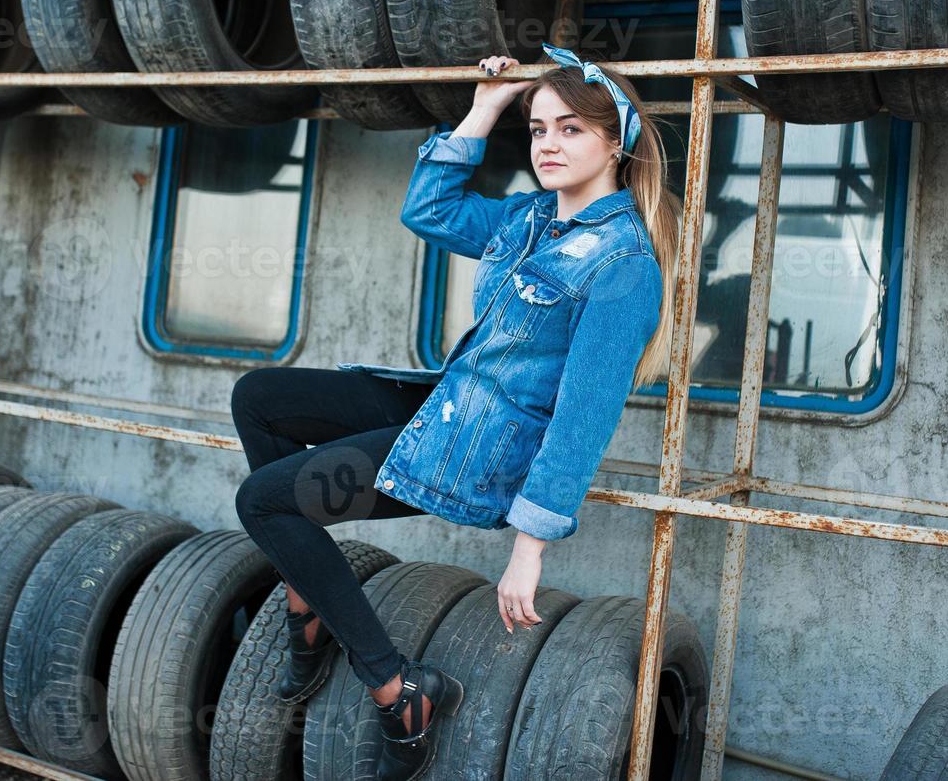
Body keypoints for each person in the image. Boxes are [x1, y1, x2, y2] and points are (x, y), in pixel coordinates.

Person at [231, 43, 681, 780]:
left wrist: (528, 546)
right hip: (444, 403)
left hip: (471, 452)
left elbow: (583, 416)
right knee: (261, 397)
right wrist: (486, 107)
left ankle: (396, 687)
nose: (548, 145)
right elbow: (429, 210)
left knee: (266, 502)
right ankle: (306, 587)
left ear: (615, 142)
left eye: (570, 129)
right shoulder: (530, 217)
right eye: (537, 129)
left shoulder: (622, 266)